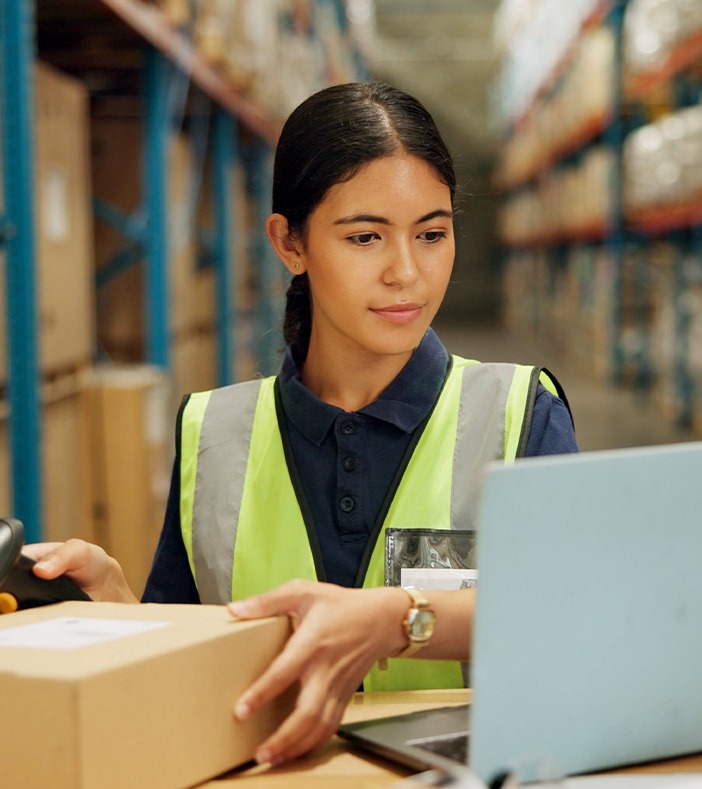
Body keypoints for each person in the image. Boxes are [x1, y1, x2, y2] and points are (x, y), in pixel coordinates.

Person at [26, 80, 578, 765]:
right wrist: (112, 603)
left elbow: (573, 625)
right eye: (366, 236)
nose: (407, 271)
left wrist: (401, 619)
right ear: (290, 243)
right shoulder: (215, 430)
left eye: (432, 233)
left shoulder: (520, 412)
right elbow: (194, 656)